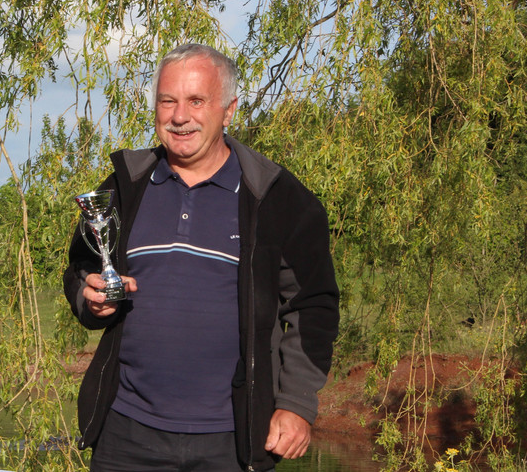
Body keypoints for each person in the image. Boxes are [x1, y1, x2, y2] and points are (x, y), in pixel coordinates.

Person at [63, 44, 340, 471]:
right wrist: (90, 297)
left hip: (232, 440)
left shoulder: (276, 197)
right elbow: (82, 266)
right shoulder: (125, 186)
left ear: (228, 110)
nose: (179, 116)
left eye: (196, 101)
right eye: (167, 101)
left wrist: (296, 403)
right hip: (126, 433)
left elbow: (314, 304)